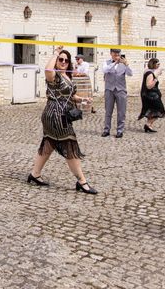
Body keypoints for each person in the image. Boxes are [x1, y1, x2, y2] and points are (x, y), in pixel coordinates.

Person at [27, 46, 97, 195]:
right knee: (69, 144)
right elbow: (47, 70)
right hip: (55, 115)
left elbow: (70, 96)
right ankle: (82, 181)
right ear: (56, 61)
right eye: (61, 59)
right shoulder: (54, 77)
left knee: (49, 142)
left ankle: (35, 174)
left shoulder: (67, 76)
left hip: (58, 114)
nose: (63, 62)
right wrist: (56, 53)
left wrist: (83, 98)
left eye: (66, 60)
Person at [102, 48, 133, 138]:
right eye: (114, 53)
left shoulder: (123, 64)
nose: (116, 55)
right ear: (111, 53)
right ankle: (106, 130)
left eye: (118, 53)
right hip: (109, 90)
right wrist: (115, 63)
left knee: (121, 112)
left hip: (121, 90)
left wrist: (127, 65)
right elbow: (105, 70)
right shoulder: (107, 62)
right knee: (108, 111)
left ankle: (120, 130)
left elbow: (130, 74)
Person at [138, 58, 165, 133]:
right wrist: (156, 78)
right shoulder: (150, 73)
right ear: (153, 64)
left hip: (149, 95)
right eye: (157, 64)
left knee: (152, 111)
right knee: (160, 111)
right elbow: (149, 86)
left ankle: (149, 126)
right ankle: (148, 124)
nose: (159, 65)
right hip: (151, 96)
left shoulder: (149, 71)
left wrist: (158, 73)